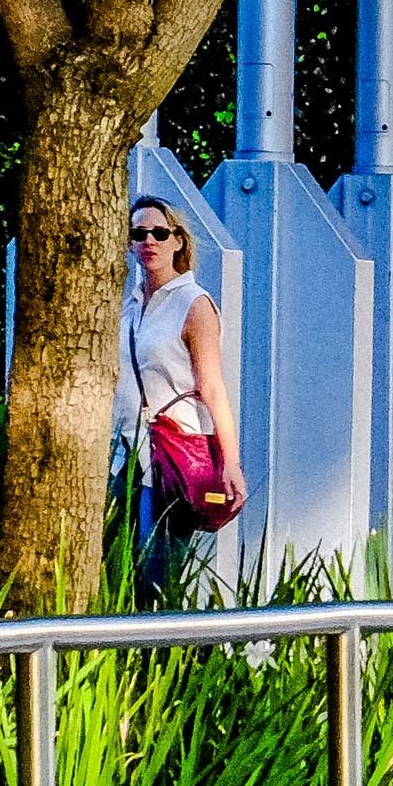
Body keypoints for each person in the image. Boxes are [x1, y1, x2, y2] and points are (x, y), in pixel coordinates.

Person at [111, 196, 245, 599]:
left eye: (159, 233)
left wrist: (231, 463)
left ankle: (167, 657)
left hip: (174, 454)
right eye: (139, 233)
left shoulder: (193, 304)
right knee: (119, 573)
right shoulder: (130, 307)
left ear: (178, 242)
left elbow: (213, 387)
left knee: (157, 575)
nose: (148, 241)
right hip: (126, 457)